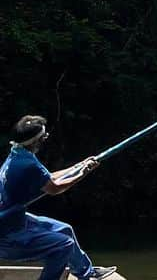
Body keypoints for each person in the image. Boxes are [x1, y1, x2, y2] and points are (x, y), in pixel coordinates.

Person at [0, 116, 116, 280]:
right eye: (44, 137)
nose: (45, 139)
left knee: (64, 229)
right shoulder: (27, 163)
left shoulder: (18, 154)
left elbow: (49, 178)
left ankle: (86, 273)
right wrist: (83, 173)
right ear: (35, 141)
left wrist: (79, 166)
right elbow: (54, 188)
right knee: (64, 245)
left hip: (14, 220)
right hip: (7, 235)